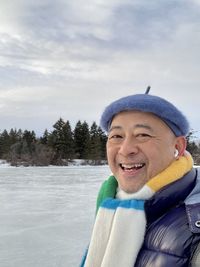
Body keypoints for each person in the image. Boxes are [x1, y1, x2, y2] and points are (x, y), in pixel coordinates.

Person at [80, 89, 200, 267]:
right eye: (117, 136)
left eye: (143, 135)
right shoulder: (111, 202)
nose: (126, 149)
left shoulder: (194, 228)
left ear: (178, 146)